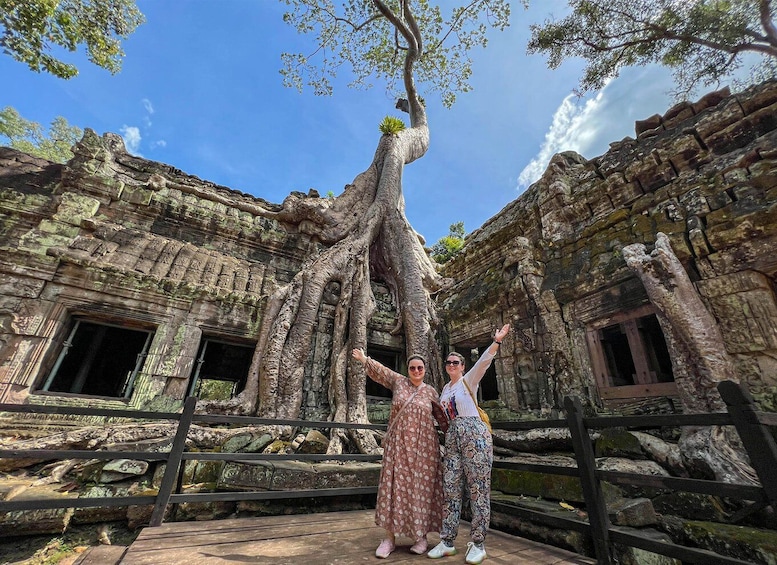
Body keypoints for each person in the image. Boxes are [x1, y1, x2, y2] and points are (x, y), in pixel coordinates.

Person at [427, 324, 510, 565]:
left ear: (462, 366)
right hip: (452, 438)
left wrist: (496, 342)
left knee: (478, 489)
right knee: (451, 488)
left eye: (455, 363)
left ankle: (478, 542)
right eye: (448, 363)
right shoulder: (444, 389)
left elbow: (484, 362)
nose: (451, 365)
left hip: (475, 435)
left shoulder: (468, 381)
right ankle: (447, 540)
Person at [352, 347, 444, 559]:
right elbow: (382, 371)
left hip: (424, 450)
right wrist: (365, 359)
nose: (416, 370)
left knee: (421, 491)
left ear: (425, 370)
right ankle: (389, 538)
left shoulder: (431, 392)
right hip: (399, 446)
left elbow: (443, 416)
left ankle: (420, 537)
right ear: (408, 369)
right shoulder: (398, 382)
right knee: (393, 488)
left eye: (420, 368)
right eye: (412, 367)